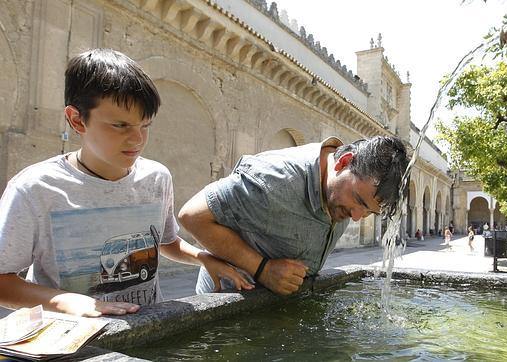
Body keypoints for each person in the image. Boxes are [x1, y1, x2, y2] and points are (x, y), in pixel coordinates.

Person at [0, 49, 252, 318]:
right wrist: (63, 301)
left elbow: (165, 242)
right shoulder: (34, 189)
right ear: (77, 120)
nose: (137, 140)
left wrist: (202, 258)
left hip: (149, 332)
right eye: (120, 125)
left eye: (145, 125)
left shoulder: (157, 178)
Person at [178, 136, 409, 295]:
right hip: (229, 312)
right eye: (358, 201)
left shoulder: (342, 191)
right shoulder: (274, 180)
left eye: (369, 211)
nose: (357, 216)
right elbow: (191, 215)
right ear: (344, 162)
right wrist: (262, 269)